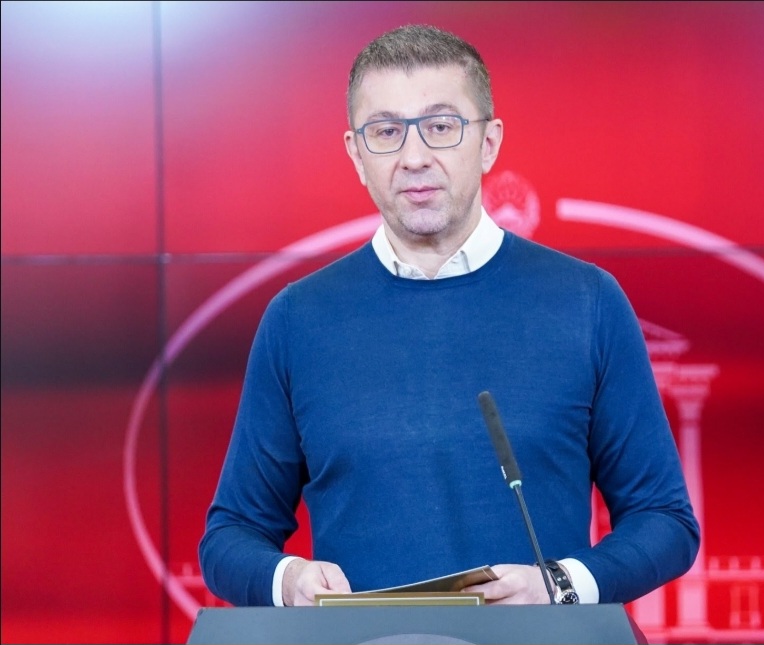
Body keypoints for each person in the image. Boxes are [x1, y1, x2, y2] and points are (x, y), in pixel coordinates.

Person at [199, 23, 700, 609]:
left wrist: (559, 585)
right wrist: (288, 580)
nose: (414, 158)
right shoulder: (297, 321)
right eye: (386, 132)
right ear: (356, 154)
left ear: (488, 143)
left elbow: (665, 520)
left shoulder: (587, 302)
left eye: (441, 127)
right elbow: (230, 536)